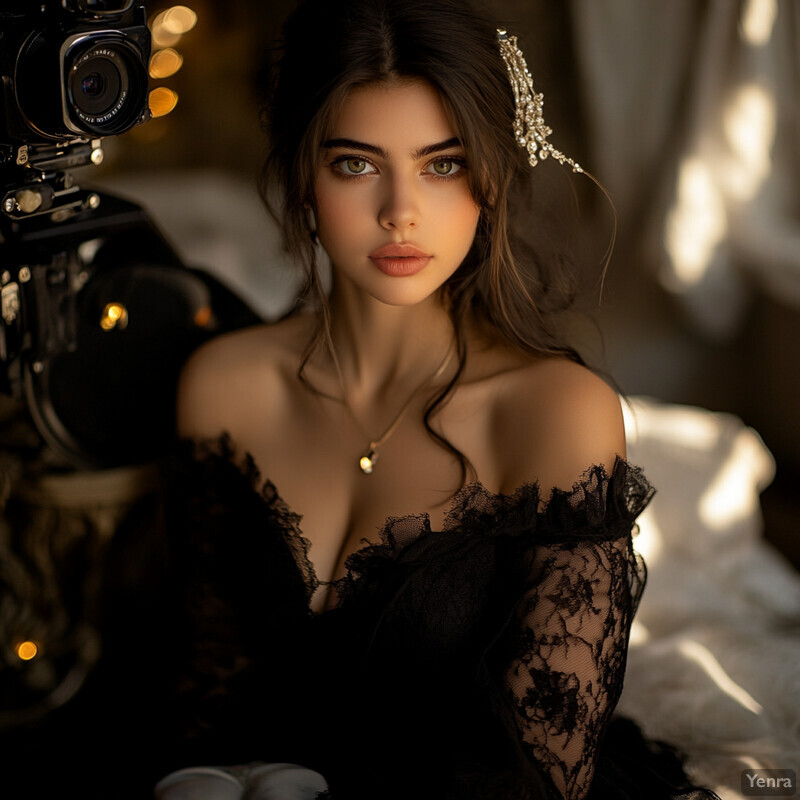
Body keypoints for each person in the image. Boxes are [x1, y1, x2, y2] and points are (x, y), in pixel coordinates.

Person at [153, 0, 721, 798]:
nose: (400, 212)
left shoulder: (556, 415)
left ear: (490, 180)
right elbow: (208, 706)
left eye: (442, 163)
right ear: (302, 178)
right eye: (356, 163)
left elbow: (542, 771)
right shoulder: (223, 388)